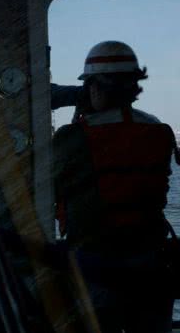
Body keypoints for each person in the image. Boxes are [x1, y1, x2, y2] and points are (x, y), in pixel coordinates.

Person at [53, 41, 177, 332]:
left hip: (96, 265)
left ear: (94, 87)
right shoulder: (159, 131)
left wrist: (75, 106)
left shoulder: (73, 137)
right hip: (151, 265)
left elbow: (48, 180)